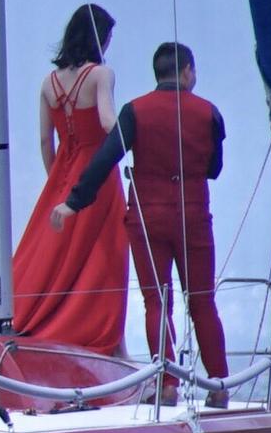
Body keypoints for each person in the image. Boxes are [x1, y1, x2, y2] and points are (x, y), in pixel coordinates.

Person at [51, 41, 230, 403]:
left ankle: (167, 385)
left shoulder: (135, 111)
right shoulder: (209, 113)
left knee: (156, 301)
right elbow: (214, 169)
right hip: (193, 214)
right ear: (186, 71)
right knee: (202, 301)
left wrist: (74, 202)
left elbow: (105, 159)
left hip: (147, 217)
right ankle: (219, 386)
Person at [0, 3, 128, 353]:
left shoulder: (48, 83)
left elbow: (44, 139)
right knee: (106, 257)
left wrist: (57, 181)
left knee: (49, 257)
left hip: (61, 174)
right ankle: (113, 343)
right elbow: (105, 121)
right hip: (99, 173)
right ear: (98, 37)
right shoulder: (101, 74)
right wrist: (131, 139)